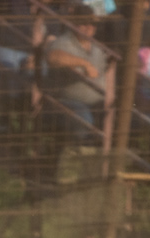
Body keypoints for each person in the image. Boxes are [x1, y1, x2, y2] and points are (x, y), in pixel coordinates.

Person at [45, 9, 113, 141]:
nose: (89, 27)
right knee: (84, 119)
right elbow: (53, 57)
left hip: (98, 102)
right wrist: (84, 63)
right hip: (67, 102)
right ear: (74, 24)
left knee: (118, 116)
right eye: (83, 23)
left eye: (92, 24)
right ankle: (80, 155)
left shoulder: (98, 48)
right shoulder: (64, 42)